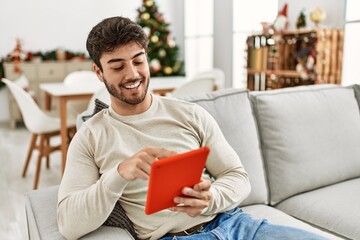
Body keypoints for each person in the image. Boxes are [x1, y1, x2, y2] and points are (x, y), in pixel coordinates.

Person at [57, 16, 328, 240]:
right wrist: (118, 175)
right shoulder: (90, 137)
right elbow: (69, 224)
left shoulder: (189, 114)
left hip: (237, 226)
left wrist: (212, 198)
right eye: (117, 67)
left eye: (138, 61)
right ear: (98, 72)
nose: (132, 74)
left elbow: (238, 177)